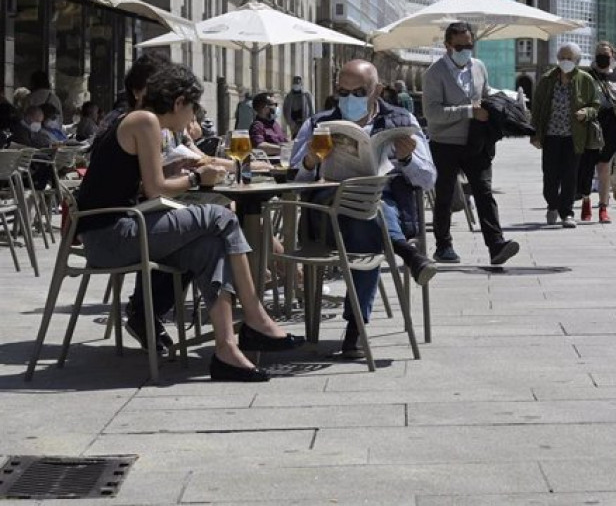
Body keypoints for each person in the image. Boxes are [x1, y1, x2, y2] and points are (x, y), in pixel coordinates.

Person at [76, 62, 302, 382]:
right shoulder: (145, 120)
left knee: (210, 246)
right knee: (222, 216)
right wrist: (197, 176)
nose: (193, 117)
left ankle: (227, 350)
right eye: (193, 108)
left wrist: (188, 171)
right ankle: (255, 317)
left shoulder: (143, 121)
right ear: (179, 102)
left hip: (121, 230)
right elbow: (155, 188)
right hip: (111, 235)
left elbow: (145, 184)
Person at [291, 59, 437, 359]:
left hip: (382, 206)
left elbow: (428, 179)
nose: (349, 99)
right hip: (328, 211)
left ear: (377, 90)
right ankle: (406, 253)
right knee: (367, 210)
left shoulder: (401, 121)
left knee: (370, 209)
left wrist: (408, 159)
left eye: (358, 92)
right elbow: (294, 178)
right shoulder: (317, 123)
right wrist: (310, 161)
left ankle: (356, 325)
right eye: (342, 92)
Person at [423, 21, 519, 265]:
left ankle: (496, 244)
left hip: (476, 141)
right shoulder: (434, 73)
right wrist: (468, 111)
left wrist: (499, 106)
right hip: (445, 143)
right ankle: (443, 245)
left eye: (469, 45)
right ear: (447, 45)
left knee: (484, 191)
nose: (465, 50)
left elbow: (484, 94)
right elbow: (432, 113)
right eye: (460, 46)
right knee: (445, 194)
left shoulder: (478, 66)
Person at [530, 42, 600, 228]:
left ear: (577, 60)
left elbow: (595, 105)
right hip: (551, 135)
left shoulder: (585, 80)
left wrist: (586, 112)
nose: (565, 61)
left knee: (570, 175)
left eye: (570, 58)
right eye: (562, 58)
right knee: (550, 175)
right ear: (558, 59)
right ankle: (552, 204)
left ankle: (567, 213)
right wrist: (535, 133)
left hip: (574, 136)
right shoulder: (547, 79)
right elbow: (536, 108)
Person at [584, 41, 616, 224]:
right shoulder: (586, 76)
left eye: (607, 54)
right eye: (599, 53)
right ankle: (585, 200)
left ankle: (603, 207)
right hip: (591, 125)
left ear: (613, 56)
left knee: (605, 166)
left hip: (612, 127)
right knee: (587, 167)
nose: (603, 56)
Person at [101, 52, 171, 134]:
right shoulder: (138, 123)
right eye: (156, 89)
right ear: (136, 92)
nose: (162, 96)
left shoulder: (163, 125)